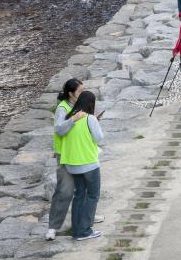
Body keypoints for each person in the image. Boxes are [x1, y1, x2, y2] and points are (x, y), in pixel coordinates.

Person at [61, 90, 103, 242]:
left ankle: (77, 230)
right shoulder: (90, 119)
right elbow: (99, 138)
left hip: (73, 163)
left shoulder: (70, 118)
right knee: (92, 196)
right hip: (89, 163)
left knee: (79, 196)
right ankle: (85, 231)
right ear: (91, 103)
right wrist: (97, 123)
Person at [47, 78, 84, 240]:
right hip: (65, 156)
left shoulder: (80, 104)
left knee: (84, 188)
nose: (82, 94)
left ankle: (85, 216)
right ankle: (53, 227)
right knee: (64, 191)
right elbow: (59, 130)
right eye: (79, 92)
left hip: (81, 151)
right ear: (71, 94)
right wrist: (74, 119)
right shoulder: (62, 108)